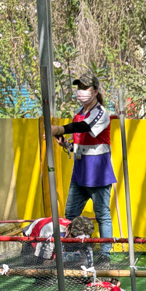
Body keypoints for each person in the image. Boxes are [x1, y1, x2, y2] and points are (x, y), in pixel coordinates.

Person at [51, 71, 117, 261]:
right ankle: (72, 251)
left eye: (84, 88)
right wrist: (66, 144)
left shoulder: (101, 113)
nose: (80, 91)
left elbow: (85, 127)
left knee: (102, 215)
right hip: (80, 172)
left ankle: (105, 254)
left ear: (95, 91)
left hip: (98, 172)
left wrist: (60, 128)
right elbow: (81, 144)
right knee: (70, 214)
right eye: (78, 88)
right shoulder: (78, 114)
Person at [21, 215, 96, 267]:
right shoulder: (51, 231)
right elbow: (45, 259)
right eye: (75, 236)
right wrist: (55, 263)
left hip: (56, 236)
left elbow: (87, 255)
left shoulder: (76, 230)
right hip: (33, 236)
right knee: (35, 265)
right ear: (69, 229)